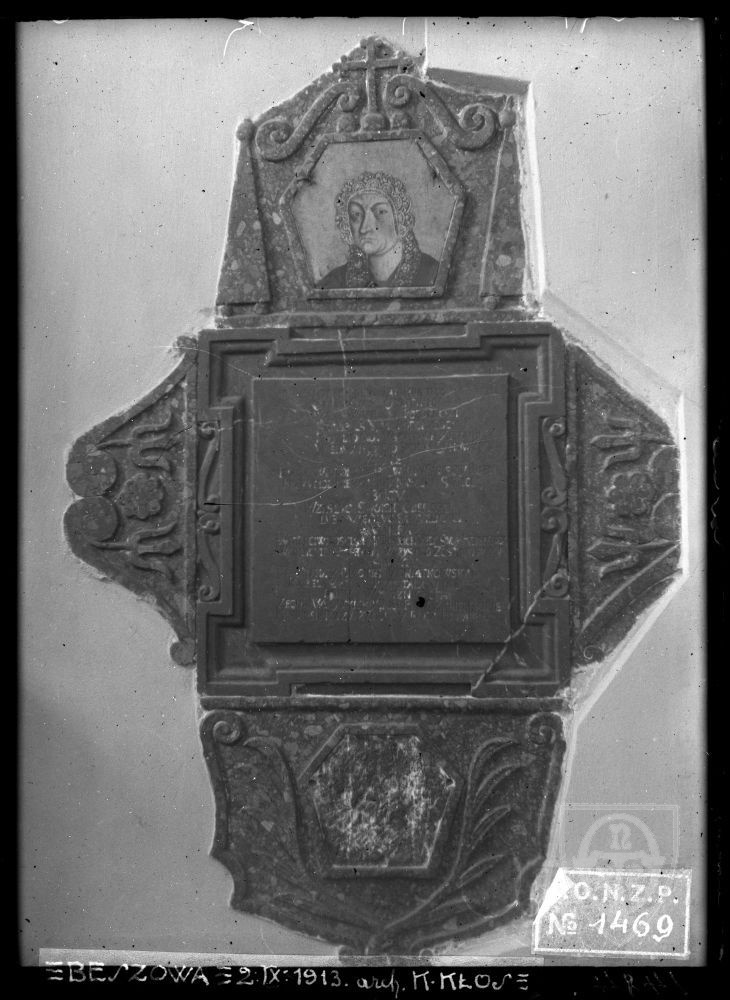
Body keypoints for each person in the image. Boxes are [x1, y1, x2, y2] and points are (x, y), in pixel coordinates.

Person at [318, 171, 439, 289]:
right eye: (356, 214)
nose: (364, 228)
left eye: (381, 212)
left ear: (400, 218)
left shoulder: (433, 274)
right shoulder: (334, 283)